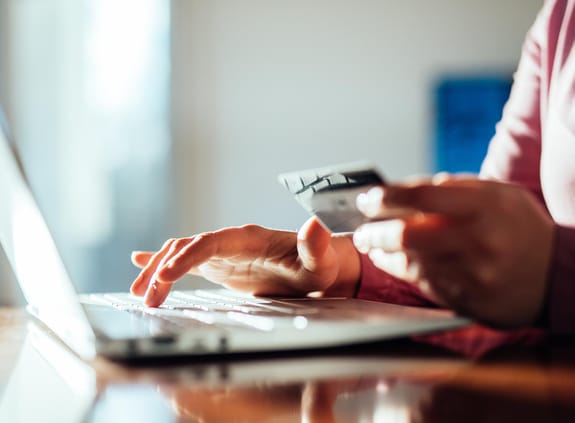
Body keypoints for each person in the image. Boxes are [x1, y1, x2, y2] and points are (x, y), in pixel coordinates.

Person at [131, 0, 575, 335]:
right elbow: (491, 253)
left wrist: (556, 272)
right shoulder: (560, 19)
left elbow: (534, 266)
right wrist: (341, 268)